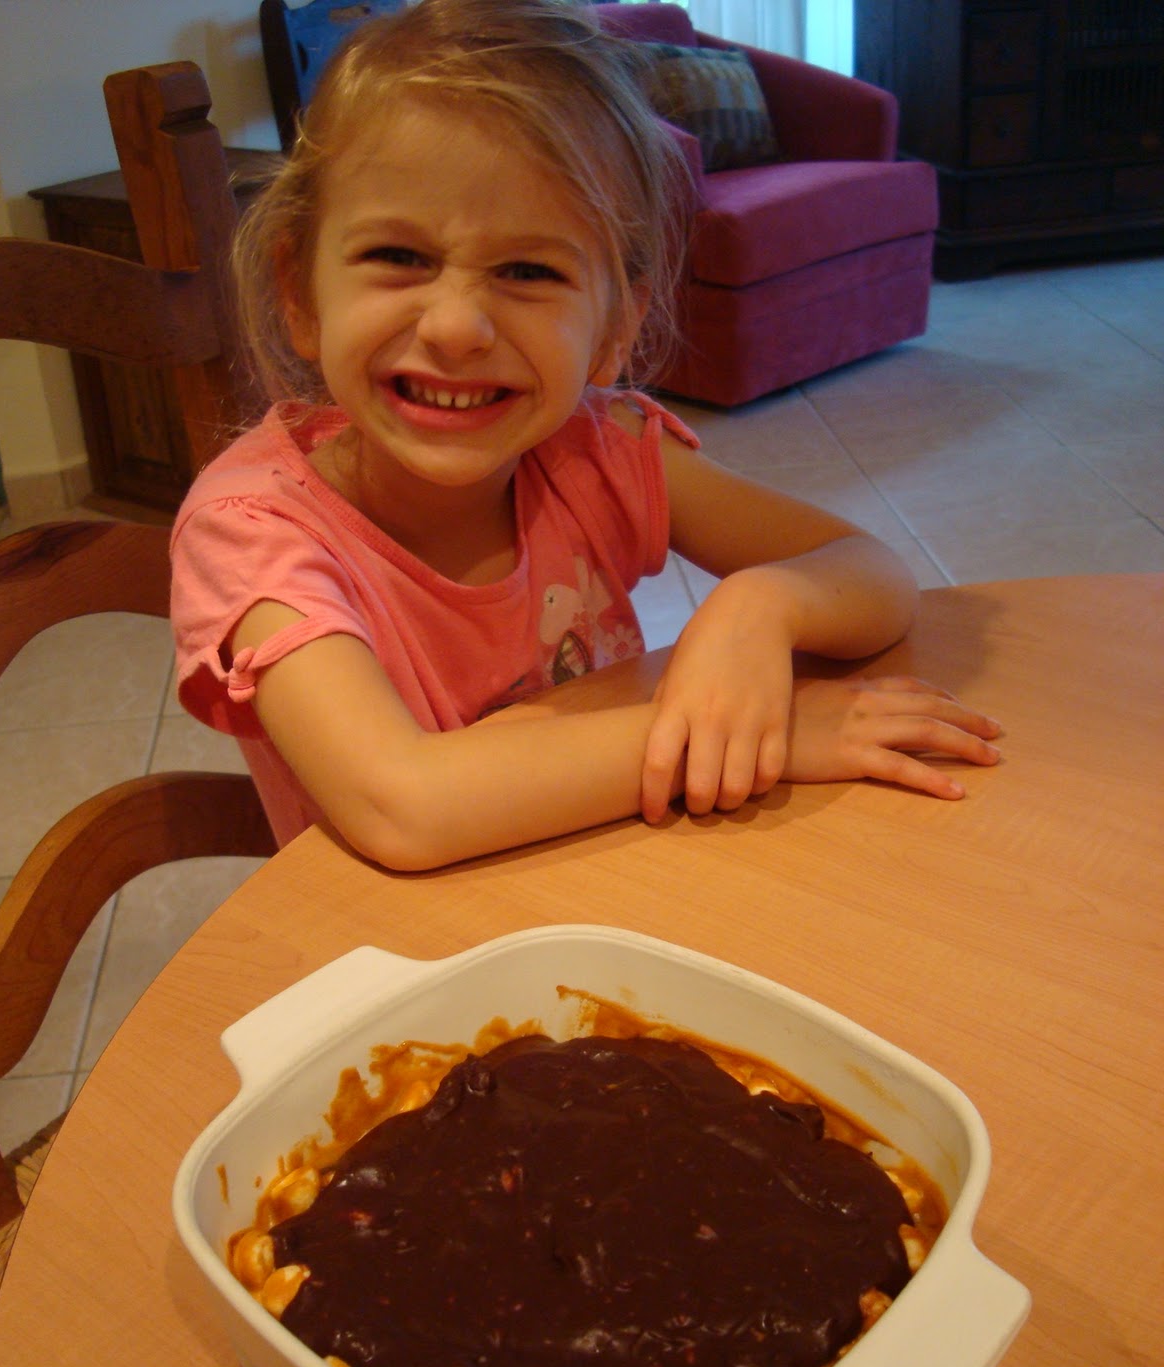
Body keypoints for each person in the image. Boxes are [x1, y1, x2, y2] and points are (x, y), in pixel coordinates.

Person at [171, 0, 1001, 871]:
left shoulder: (594, 449)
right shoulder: (255, 534)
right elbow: (403, 805)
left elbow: (875, 572)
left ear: (614, 329)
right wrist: (751, 733)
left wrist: (763, 605)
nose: (456, 328)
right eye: (399, 257)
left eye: (528, 270)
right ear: (300, 293)